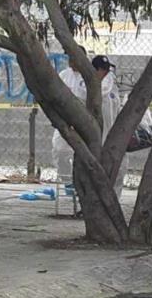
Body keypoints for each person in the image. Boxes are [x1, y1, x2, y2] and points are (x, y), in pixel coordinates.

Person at [52, 54, 128, 201]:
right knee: (61, 150)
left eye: (107, 70)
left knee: (116, 164)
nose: (106, 73)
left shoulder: (108, 81)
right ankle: (73, 187)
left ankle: (112, 198)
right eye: (102, 70)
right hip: (83, 126)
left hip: (109, 129)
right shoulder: (76, 80)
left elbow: (105, 91)